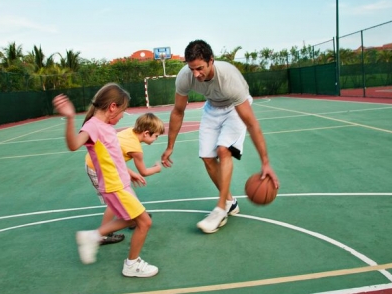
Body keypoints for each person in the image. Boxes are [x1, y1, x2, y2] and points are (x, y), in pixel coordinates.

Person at [161, 39, 280, 234]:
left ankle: (220, 209)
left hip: (235, 107)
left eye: (200, 68)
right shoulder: (185, 77)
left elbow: (251, 123)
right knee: (207, 158)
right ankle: (230, 202)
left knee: (223, 150)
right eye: (192, 69)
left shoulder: (229, 79)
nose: (196, 74)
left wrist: (265, 162)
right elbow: (178, 111)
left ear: (211, 61)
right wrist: (170, 146)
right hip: (212, 108)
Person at [53, 83, 158, 277]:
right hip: (115, 185)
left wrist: (129, 172)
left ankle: (92, 236)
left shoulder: (106, 125)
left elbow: (112, 156)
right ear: (112, 107)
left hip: (120, 182)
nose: (121, 116)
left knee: (129, 219)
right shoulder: (93, 126)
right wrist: (69, 118)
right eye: (122, 111)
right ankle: (131, 264)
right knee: (144, 222)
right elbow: (74, 145)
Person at [84, 113, 165, 242]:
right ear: (146, 133)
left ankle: (133, 218)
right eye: (156, 136)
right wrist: (157, 168)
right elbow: (143, 172)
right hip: (99, 168)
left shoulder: (128, 132)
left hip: (103, 165)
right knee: (113, 202)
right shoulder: (136, 150)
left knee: (126, 193)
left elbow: (112, 154)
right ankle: (102, 234)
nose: (156, 139)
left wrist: (129, 172)